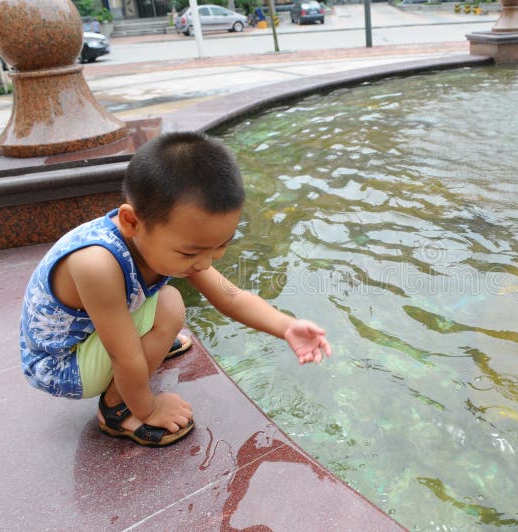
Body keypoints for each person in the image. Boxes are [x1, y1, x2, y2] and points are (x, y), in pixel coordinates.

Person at [20, 132, 332, 447]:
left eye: (222, 245)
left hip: (94, 331)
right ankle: (115, 410)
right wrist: (149, 407)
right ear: (131, 221)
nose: (204, 262)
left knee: (165, 306)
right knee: (169, 306)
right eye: (190, 253)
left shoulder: (162, 238)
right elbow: (124, 356)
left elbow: (230, 296)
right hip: (60, 364)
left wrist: (287, 326)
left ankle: (150, 339)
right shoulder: (97, 264)